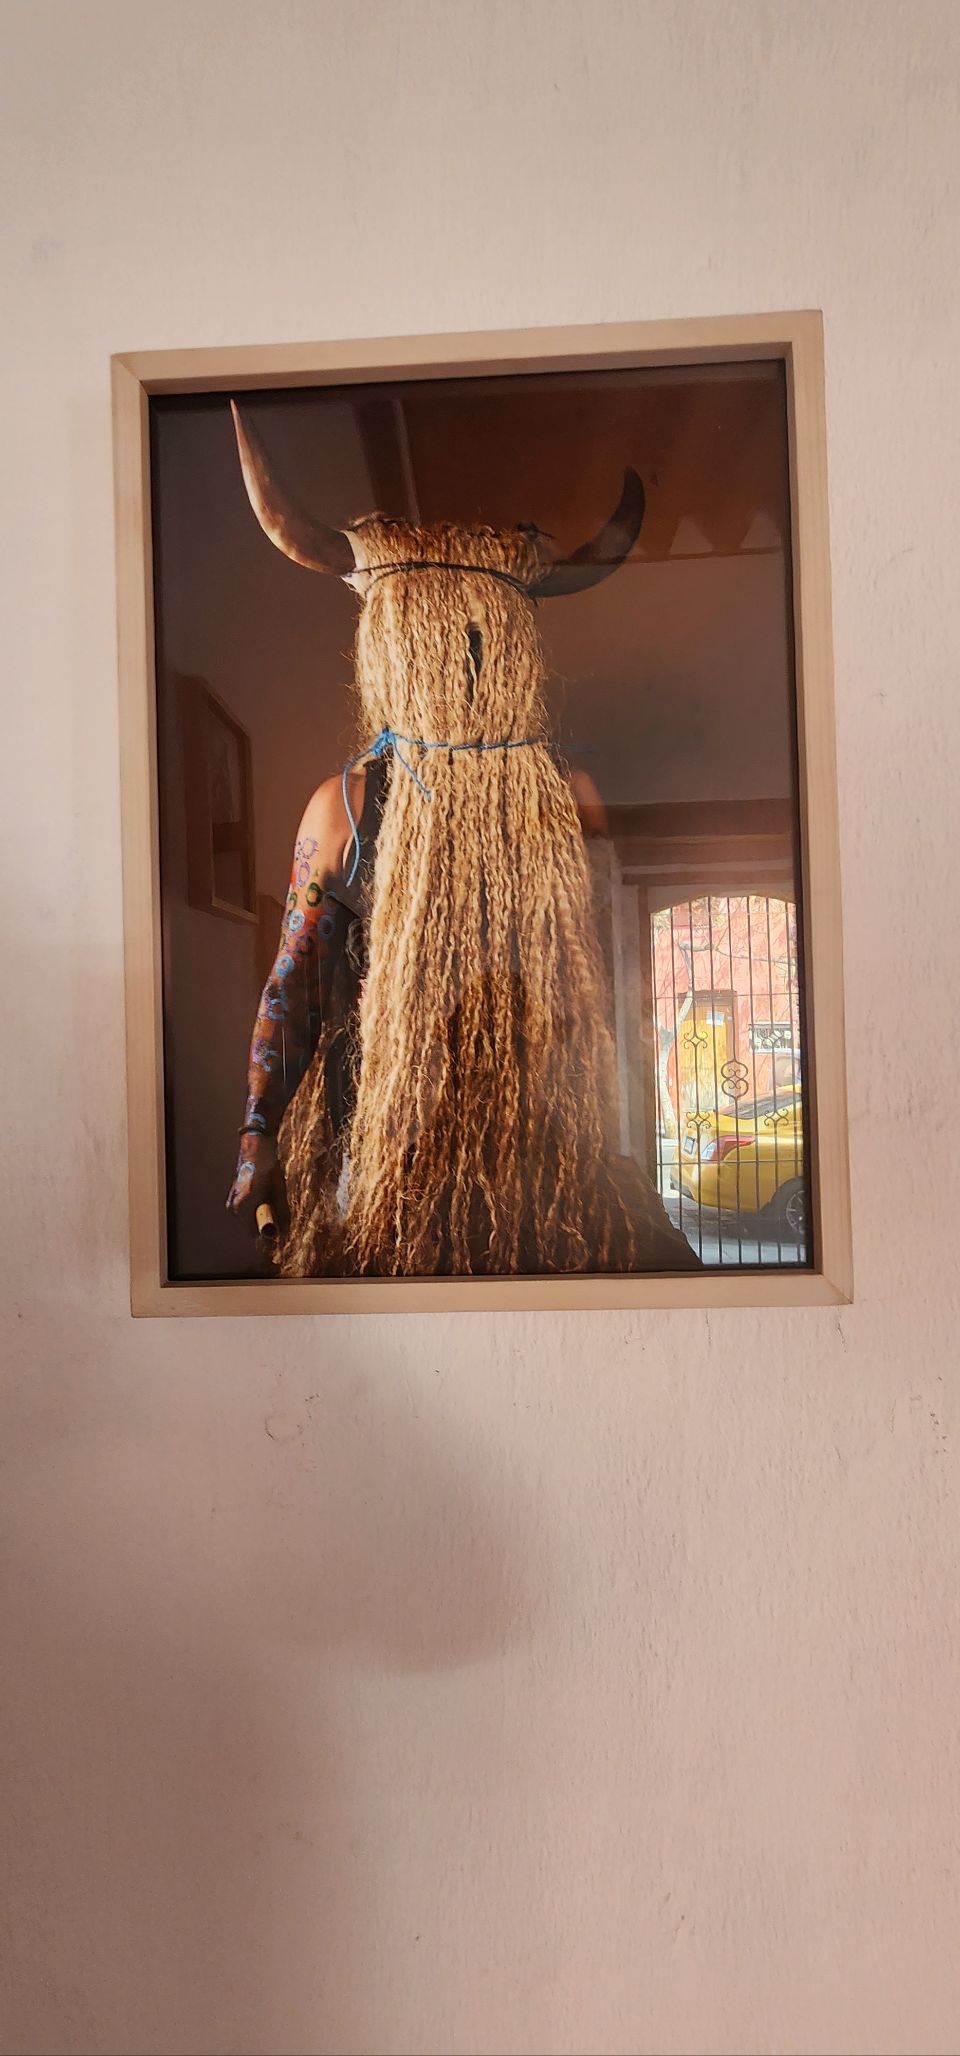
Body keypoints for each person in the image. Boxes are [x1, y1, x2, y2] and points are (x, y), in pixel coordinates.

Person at [225, 403, 700, 1278]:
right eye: (449, 641)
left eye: (480, 641)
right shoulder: (350, 807)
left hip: (544, 1157)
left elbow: (603, 985)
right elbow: (295, 987)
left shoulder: (557, 799)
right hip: (387, 1159)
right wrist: (260, 1133)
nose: (466, 662)